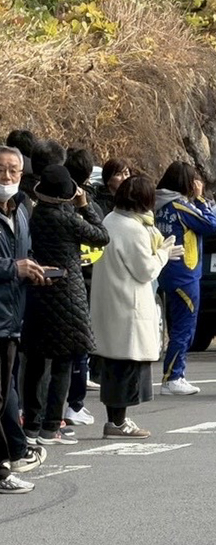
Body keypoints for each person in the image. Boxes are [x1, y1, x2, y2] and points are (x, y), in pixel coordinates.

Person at [21, 165, 109, 445]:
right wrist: (85, 205)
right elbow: (101, 236)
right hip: (67, 296)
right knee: (63, 362)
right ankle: (51, 427)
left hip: (37, 291)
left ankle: (31, 425)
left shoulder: (31, 216)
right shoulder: (69, 219)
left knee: (35, 362)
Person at [90, 175, 182, 439]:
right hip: (128, 305)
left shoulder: (111, 220)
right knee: (126, 366)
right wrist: (162, 254)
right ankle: (118, 423)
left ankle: (116, 420)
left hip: (111, 302)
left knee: (114, 366)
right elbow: (146, 270)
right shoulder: (133, 229)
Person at [0, 145, 47, 493]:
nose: (7, 177)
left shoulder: (21, 209)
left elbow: (24, 254)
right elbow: (12, 264)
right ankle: (5, 467)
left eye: (13, 171)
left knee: (5, 395)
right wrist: (12, 268)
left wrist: (34, 269)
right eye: (1, 170)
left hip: (12, 317)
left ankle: (14, 454)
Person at [154, 161, 216, 396]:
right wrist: (200, 199)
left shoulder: (157, 204)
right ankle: (173, 377)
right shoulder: (180, 206)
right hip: (184, 274)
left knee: (178, 325)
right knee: (184, 328)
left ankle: (175, 375)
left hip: (167, 270)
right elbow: (210, 225)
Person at [63, 147, 106, 427]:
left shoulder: (47, 209)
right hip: (83, 280)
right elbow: (101, 235)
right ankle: (73, 406)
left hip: (61, 281)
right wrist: (84, 206)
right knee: (80, 346)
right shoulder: (83, 207)